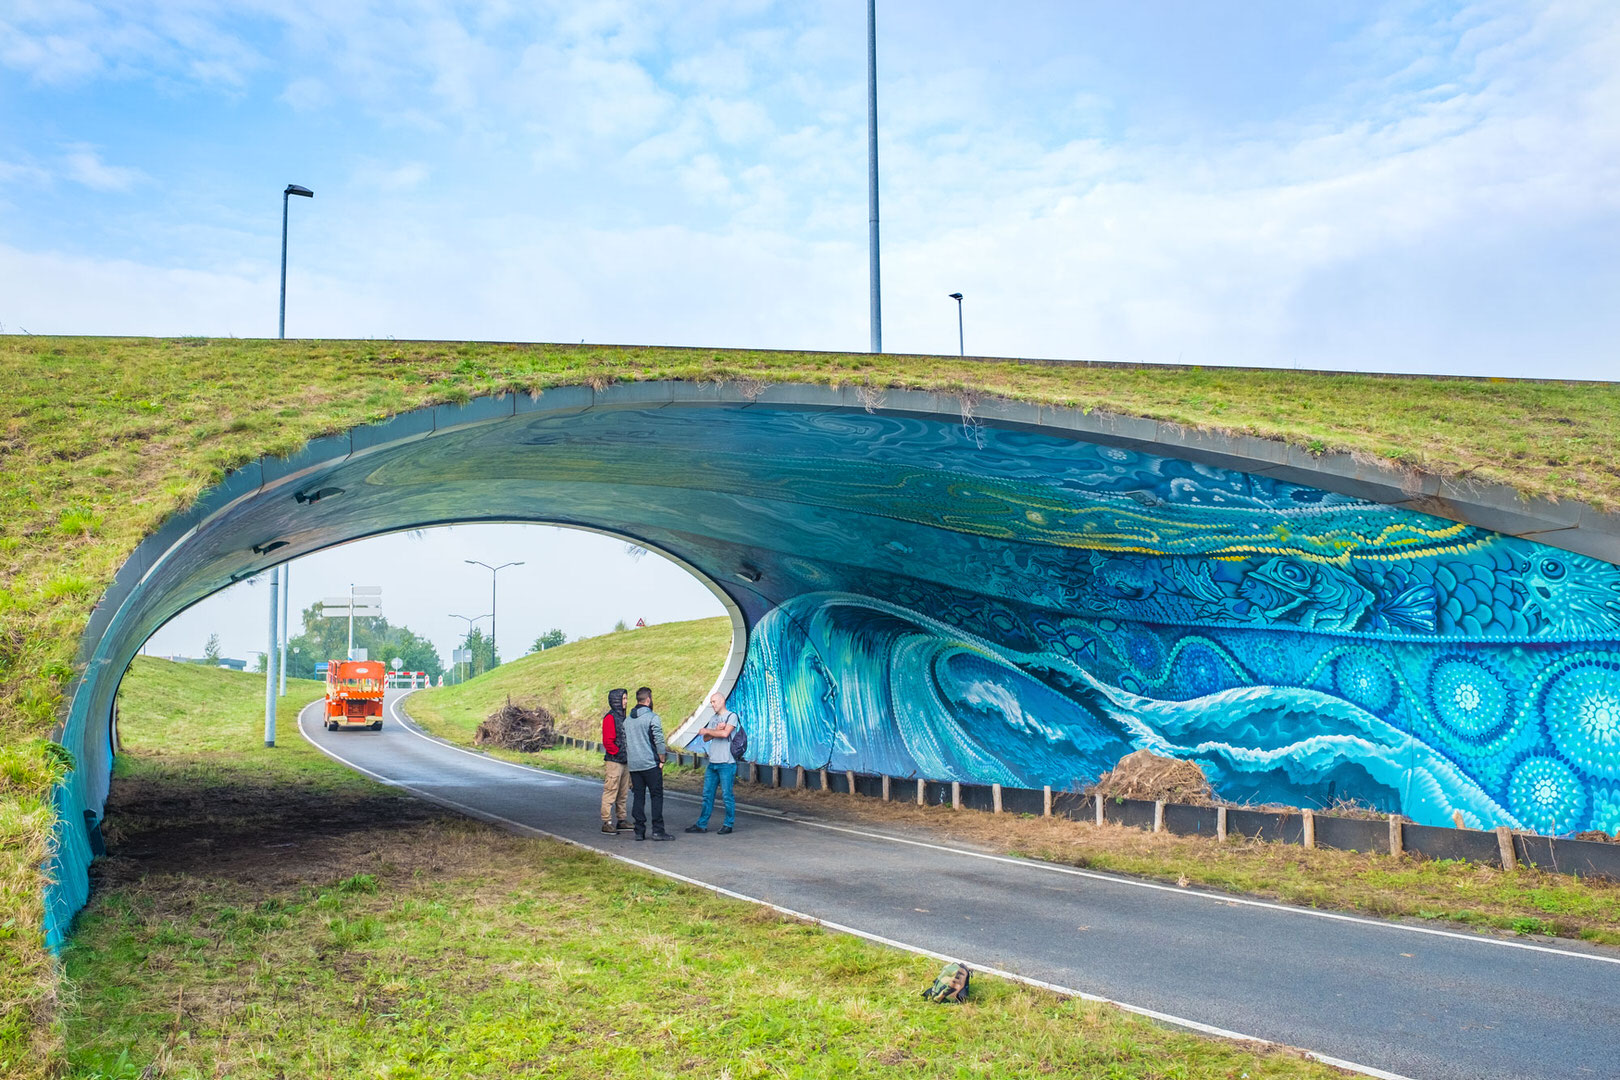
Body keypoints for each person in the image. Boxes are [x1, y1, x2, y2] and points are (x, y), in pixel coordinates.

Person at [685, 692, 740, 835]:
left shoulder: (731, 716)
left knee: (727, 795)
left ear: (722, 701)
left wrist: (709, 731)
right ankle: (701, 824)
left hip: (727, 762)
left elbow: (725, 734)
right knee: (707, 794)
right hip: (713, 762)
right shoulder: (713, 718)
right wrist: (714, 730)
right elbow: (706, 738)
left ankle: (728, 824)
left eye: (714, 701)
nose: (712, 704)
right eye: (711, 702)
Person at [624, 686, 673, 841]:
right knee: (656, 796)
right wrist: (662, 759)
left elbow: (626, 742)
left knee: (638, 796)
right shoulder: (652, 718)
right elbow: (658, 740)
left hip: (634, 764)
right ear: (648, 700)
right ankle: (658, 830)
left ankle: (639, 830)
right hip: (650, 764)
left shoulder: (628, 720)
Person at [599, 688, 631, 834]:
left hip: (624, 760)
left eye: (626, 698)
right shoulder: (610, 718)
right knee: (611, 790)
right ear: (617, 700)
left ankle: (622, 819)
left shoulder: (623, 717)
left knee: (623, 792)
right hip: (614, 761)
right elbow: (608, 741)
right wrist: (618, 753)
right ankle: (606, 821)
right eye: (624, 698)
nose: (626, 701)